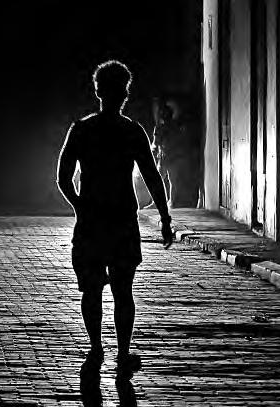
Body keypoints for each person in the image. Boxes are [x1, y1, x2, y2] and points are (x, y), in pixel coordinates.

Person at [57, 60, 173, 372]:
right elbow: (152, 177)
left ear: (98, 91)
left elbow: (63, 177)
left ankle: (96, 347)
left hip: (91, 222)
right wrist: (165, 218)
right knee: (123, 291)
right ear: (125, 93)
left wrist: (78, 205)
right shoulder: (132, 132)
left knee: (91, 289)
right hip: (122, 221)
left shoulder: (81, 130)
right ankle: (123, 352)